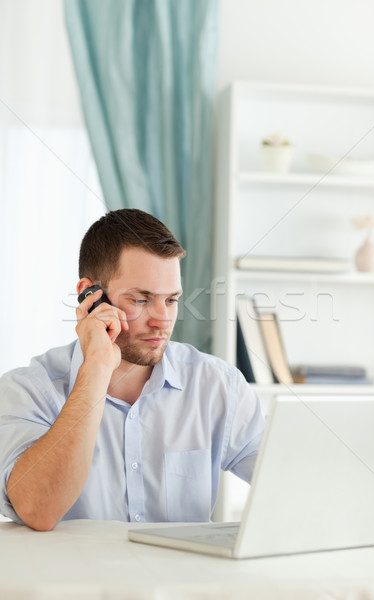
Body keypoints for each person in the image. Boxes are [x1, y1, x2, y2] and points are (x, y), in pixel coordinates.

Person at [0, 209, 264, 531]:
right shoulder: (28, 391)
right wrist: (96, 369)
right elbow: (37, 509)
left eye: (171, 300)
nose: (162, 321)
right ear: (91, 296)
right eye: (140, 299)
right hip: (79, 580)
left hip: (181, 581)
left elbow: (293, 482)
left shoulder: (218, 386)